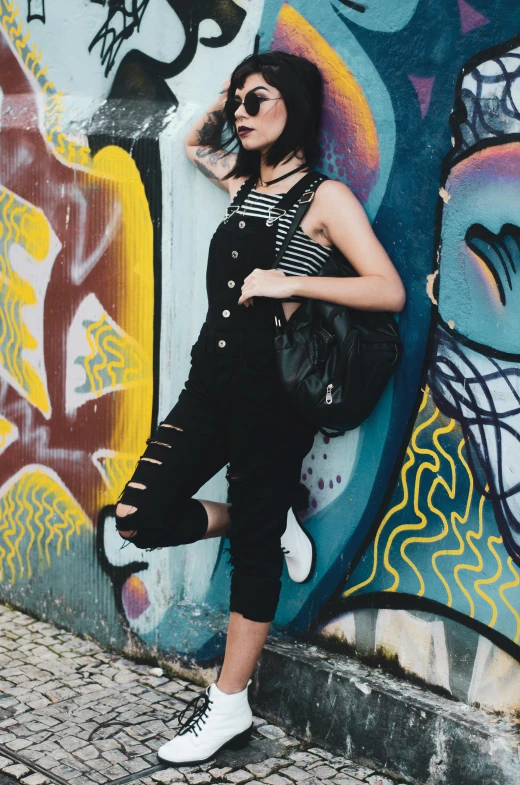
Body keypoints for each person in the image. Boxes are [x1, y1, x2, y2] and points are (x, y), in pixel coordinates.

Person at [114, 51, 406, 766]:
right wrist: (232, 91)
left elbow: (387, 290)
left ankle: (228, 704)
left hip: (276, 397)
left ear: (296, 110)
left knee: (250, 561)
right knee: (139, 517)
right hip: (210, 383)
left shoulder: (323, 199)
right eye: (239, 100)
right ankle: (263, 516)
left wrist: (290, 282)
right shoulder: (244, 182)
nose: (241, 112)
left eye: (259, 99)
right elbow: (193, 143)